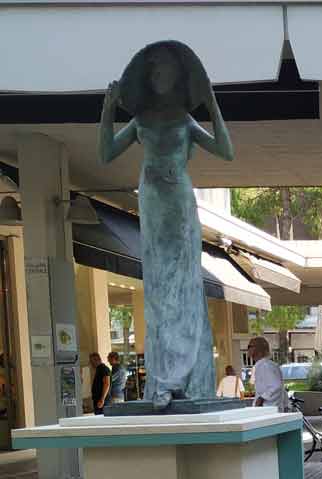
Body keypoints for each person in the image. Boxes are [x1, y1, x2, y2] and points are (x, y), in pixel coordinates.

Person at [98, 40, 234, 410]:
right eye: (157, 70)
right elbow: (106, 154)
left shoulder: (185, 120)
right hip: (153, 203)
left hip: (179, 203)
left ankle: (184, 376)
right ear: (149, 76)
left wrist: (212, 104)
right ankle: (164, 378)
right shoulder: (141, 120)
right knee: (159, 289)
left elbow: (226, 150)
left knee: (183, 285)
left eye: (169, 70)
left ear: (177, 76)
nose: (162, 75)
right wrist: (108, 111)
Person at [248, 337, 287, 412]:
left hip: (268, 410)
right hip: (272, 410)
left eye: (249, 346)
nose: (248, 349)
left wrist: (261, 399)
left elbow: (276, 386)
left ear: (257, 349)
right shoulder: (269, 364)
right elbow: (281, 388)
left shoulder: (264, 365)